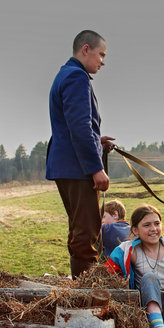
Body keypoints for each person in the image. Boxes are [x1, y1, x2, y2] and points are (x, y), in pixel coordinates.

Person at [46, 30, 115, 279]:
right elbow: (80, 126)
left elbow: (74, 126)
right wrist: (96, 167)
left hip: (67, 164)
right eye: (101, 54)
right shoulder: (77, 77)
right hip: (77, 168)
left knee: (79, 229)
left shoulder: (66, 74)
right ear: (85, 49)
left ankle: (79, 287)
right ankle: (83, 293)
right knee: (86, 232)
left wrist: (98, 140)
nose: (103, 61)